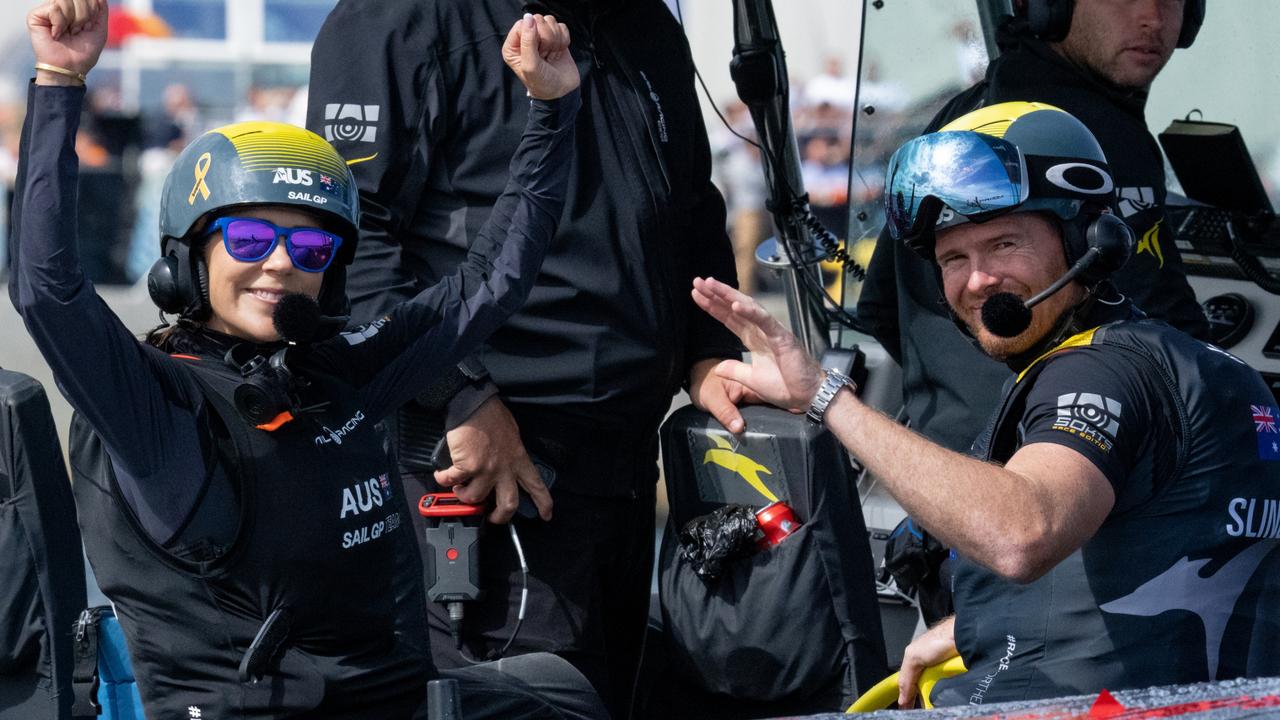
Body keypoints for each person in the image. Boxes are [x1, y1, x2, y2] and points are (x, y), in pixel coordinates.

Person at [12, 2, 608, 718]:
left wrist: (552, 107)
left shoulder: (337, 371)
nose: (279, 266)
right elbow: (46, 292)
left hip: (399, 698)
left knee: (567, 693)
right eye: (249, 239)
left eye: (312, 249)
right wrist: (59, 80)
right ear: (185, 260)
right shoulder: (156, 406)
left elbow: (492, 281)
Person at [692, 104, 1280, 708]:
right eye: (954, 259)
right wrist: (972, 625)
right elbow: (1167, 552)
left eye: (1004, 244)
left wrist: (824, 396)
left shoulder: (1100, 371)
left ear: (1087, 240)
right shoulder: (1198, 367)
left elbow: (1023, 532)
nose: (978, 281)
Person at [306, 1, 746, 714]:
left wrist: (710, 352)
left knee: (615, 697)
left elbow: (691, 205)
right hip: (489, 460)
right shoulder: (395, 20)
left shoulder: (645, 24)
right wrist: (456, 394)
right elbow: (348, 238)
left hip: (627, 464)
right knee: (532, 703)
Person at [856, 0, 1211, 624]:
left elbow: (884, 305)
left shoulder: (958, 119)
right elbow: (1168, 355)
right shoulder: (1085, 138)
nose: (1153, 17)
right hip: (1057, 544)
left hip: (944, 523)